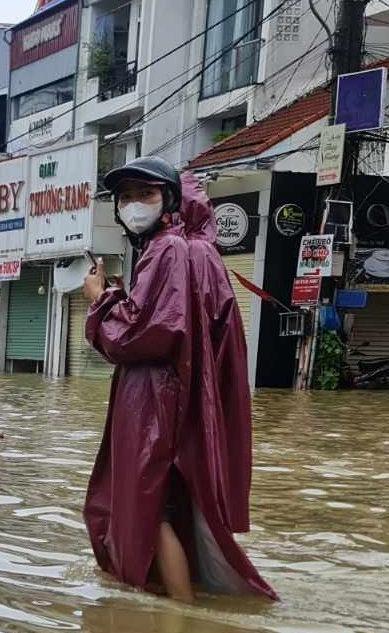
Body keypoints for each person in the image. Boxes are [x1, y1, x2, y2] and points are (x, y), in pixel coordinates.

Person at [82, 156, 276, 603]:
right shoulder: (200, 251)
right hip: (181, 398)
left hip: (154, 399)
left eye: (145, 194)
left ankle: (180, 614)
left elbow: (141, 334)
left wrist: (101, 299)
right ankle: (182, 603)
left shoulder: (168, 249)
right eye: (125, 197)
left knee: (149, 508)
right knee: (166, 503)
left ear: (170, 199)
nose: (134, 205)